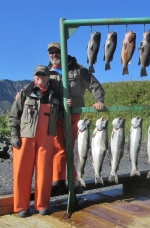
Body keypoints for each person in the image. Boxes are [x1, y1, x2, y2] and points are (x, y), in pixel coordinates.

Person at [47, 42, 105, 194]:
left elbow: (95, 86)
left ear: (64, 52)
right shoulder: (47, 72)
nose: (54, 55)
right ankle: (58, 181)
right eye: (51, 52)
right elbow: (39, 89)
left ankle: (76, 180)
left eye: (56, 52)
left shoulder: (79, 69)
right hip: (56, 117)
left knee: (76, 149)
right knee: (58, 149)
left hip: (74, 117)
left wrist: (99, 101)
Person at [9, 65, 60, 218]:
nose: (41, 77)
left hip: (46, 138)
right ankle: (21, 206)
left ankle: (42, 204)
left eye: (43, 75)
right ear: (34, 77)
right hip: (25, 137)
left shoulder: (54, 96)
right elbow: (13, 116)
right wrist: (14, 136)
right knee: (21, 172)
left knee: (45, 172)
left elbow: (61, 117)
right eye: (38, 75)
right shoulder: (25, 94)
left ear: (47, 77)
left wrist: (68, 104)